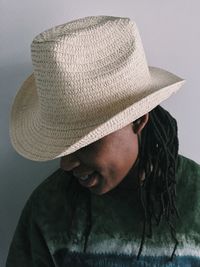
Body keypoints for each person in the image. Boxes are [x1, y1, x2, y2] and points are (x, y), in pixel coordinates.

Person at [6, 15, 200, 267]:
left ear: (139, 120)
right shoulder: (48, 209)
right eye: (65, 145)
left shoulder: (195, 199)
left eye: (85, 141)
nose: (65, 163)